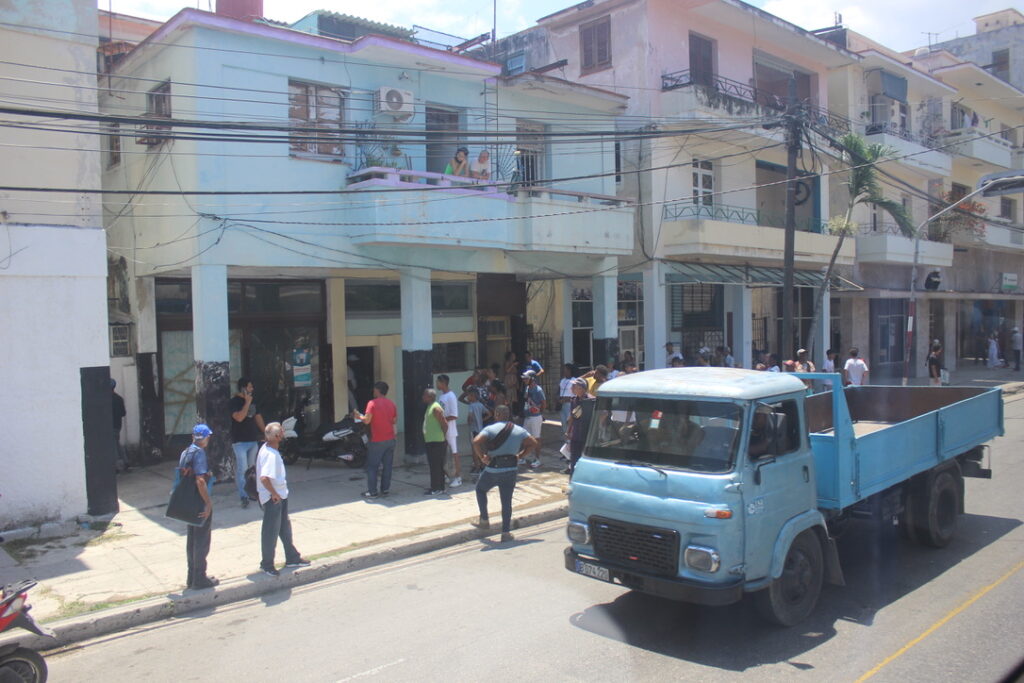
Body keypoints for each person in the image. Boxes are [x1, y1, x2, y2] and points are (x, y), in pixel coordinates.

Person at [470, 405, 540, 543]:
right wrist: (520, 455)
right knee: (506, 501)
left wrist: (482, 457)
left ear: (496, 414)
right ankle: (505, 533)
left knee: (480, 489)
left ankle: (484, 519)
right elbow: (533, 443)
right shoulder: (519, 430)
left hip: (493, 469)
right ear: (508, 415)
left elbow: (476, 442)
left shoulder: (490, 429)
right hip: (511, 470)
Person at [256, 422, 311, 576]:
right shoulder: (270, 455)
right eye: (281, 431)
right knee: (270, 531)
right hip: (273, 499)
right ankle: (267, 564)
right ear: (276, 436)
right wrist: (274, 494)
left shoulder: (269, 448)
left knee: (284, 528)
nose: (283, 432)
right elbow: (264, 478)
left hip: (280, 496)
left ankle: (292, 557)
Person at [180, 424, 217, 589]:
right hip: (199, 501)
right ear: (205, 438)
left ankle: (192, 577)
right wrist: (208, 503)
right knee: (202, 541)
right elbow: (200, 480)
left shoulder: (185, 452)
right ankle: (200, 578)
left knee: (192, 540)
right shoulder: (199, 453)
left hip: (187, 501)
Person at [352, 381, 398, 499]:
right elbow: (394, 421)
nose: (373, 391)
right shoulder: (391, 404)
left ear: (377, 390)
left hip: (377, 440)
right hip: (390, 439)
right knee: (387, 466)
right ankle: (385, 489)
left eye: (374, 389)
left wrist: (358, 416)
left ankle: (372, 492)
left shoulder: (372, 403)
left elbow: (367, 420)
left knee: (372, 467)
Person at [230, 377, 265, 509]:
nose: (252, 389)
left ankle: (252, 492)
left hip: (252, 440)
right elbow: (239, 418)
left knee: (252, 469)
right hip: (239, 441)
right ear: (243, 388)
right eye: (250, 387)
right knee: (242, 470)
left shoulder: (253, 401)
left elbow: (258, 417)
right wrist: (247, 403)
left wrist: (266, 432)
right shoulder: (234, 402)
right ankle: (243, 495)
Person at [564, 378, 596, 475]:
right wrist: (568, 431)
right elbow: (572, 417)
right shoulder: (574, 400)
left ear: (582, 388)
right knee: (574, 459)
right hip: (576, 434)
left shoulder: (591, 400)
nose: (572, 388)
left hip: (587, 435)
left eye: (574, 386)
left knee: (586, 459)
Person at [436, 375, 462, 488]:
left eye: (438, 382)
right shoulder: (442, 396)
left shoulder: (451, 396)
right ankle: (445, 475)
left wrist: (442, 420)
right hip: (442, 429)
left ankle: (458, 477)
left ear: (443, 383)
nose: (436, 384)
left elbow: (454, 415)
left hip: (450, 430)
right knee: (443, 453)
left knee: (454, 452)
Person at [422, 388, 448, 495]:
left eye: (425, 395)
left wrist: (442, 436)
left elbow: (445, 424)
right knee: (434, 465)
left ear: (431, 397)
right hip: (431, 441)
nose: (423, 397)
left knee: (436, 466)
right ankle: (437, 487)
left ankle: (437, 488)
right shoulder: (430, 406)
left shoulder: (436, 408)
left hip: (437, 442)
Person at [459, 387, 491, 475]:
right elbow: (489, 414)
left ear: (473, 396)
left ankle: (477, 468)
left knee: (474, 450)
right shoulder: (480, 405)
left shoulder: (471, 405)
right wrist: (482, 419)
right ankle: (483, 466)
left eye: (468, 396)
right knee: (481, 448)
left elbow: (470, 416)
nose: (467, 398)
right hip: (480, 429)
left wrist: (469, 421)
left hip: (473, 430)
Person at [521, 370, 546, 469]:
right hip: (527, 416)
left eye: (526, 378)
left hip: (535, 417)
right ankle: (523, 456)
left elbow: (544, 403)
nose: (524, 380)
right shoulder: (527, 388)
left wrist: (539, 412)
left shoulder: (538, 390)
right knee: (525, 437)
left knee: (536, 438)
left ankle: (537, 459)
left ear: (532, 379)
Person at [111, 379, 129, 473]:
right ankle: (126, 461)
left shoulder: (106, 400)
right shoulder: (119, 398)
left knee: (113, 446)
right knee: (117, 444)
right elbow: (123, 413)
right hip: (118, 425)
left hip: (110, 425)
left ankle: (117, 466)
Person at [558, 363, 575, 438]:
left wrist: (566, 399)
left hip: (569, 404)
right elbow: (558, 391)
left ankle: (570, 438)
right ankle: (566, 438)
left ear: (569, 370)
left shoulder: (574, 380)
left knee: (569, 422)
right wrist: (557, 398)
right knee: (563, 422)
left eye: (565, 369)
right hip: (562, 404)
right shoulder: (562, 380)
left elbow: (575, 394)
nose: (563, 371)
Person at [503, 352, 520, 417]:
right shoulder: (507, 363)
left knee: (513, 399)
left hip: (513, 381)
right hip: (509, 381)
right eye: (513, 356)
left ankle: (512, 412)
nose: (514, 357)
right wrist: (512, 365)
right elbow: (507, 371)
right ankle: (508, 413)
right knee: (508, 398)